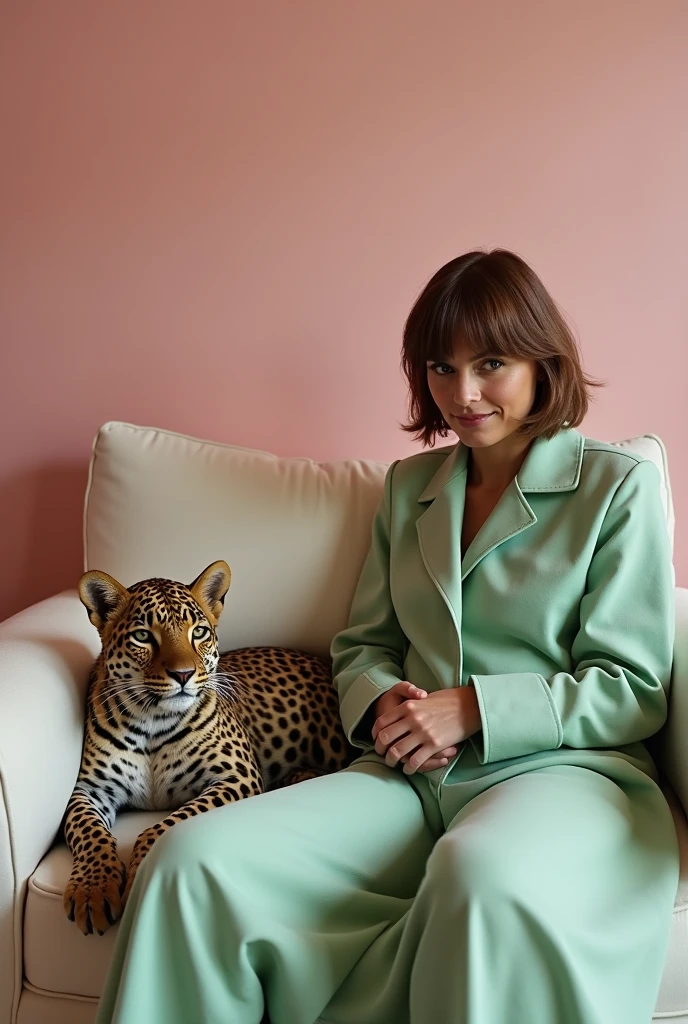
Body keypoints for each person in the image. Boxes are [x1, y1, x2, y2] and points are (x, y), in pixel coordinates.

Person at [96, 250, 678, 1024]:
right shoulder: (410, 488)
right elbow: (362, 645)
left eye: (491, 363)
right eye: (441, 366)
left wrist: (472, 709)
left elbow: (631, 686)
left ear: (544, 361)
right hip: (403, 779)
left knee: (479, 878)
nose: (462, 392)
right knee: (188, 863)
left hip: (563, 775)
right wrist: (385, 707)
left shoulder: (617, 485)